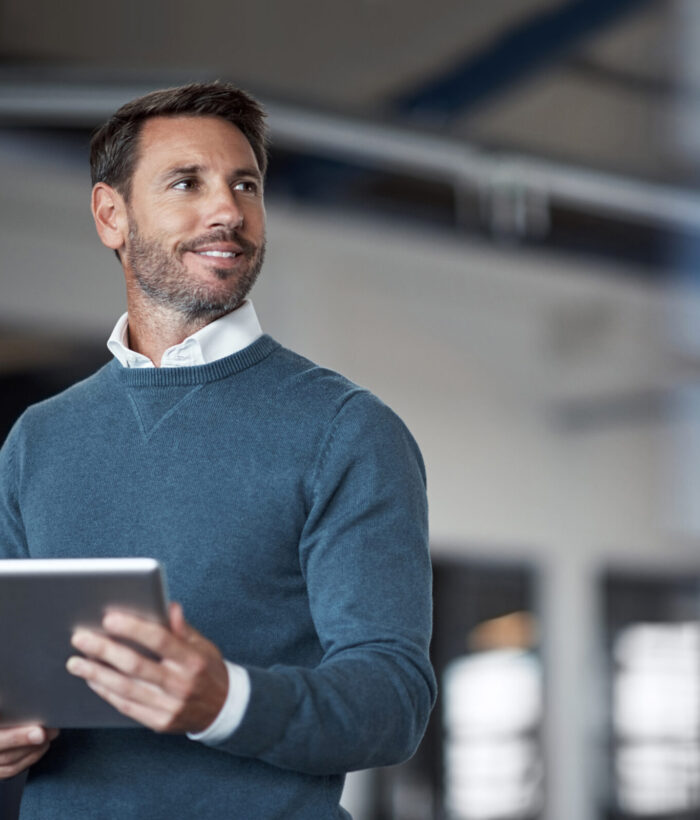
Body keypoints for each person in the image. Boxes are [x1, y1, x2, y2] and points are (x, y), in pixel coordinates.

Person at [0, 82, 436, 818]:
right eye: (186, 183)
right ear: (112, 215)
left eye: (246, 185)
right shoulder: (36, 440)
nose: (228, 211)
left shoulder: (346, 429)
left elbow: (394, 699)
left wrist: (225, 701)